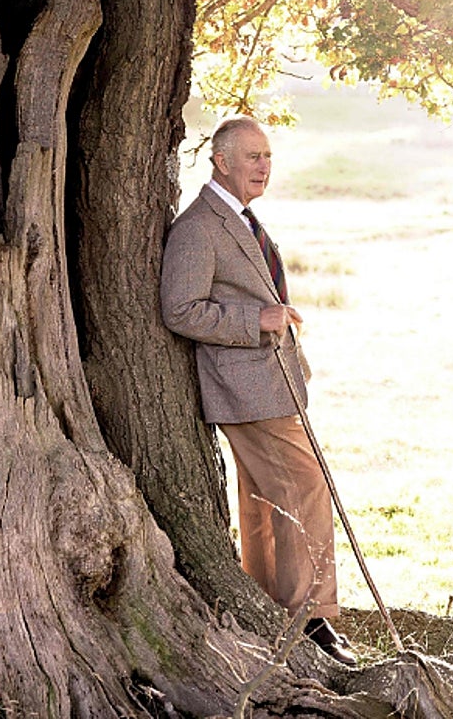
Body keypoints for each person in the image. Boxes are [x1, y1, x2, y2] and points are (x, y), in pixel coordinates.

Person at [160, 115, 355, 666]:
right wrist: (257, 319)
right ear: (221, 160)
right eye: (252, 157)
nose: (264, 167)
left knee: (266, 499)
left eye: (268, 157)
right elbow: (179, 309)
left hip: (272, 384)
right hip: (245, 389)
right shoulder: (199, 227)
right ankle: (311, 620)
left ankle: (271, 606)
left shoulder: (241, 219)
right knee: (305, 487)